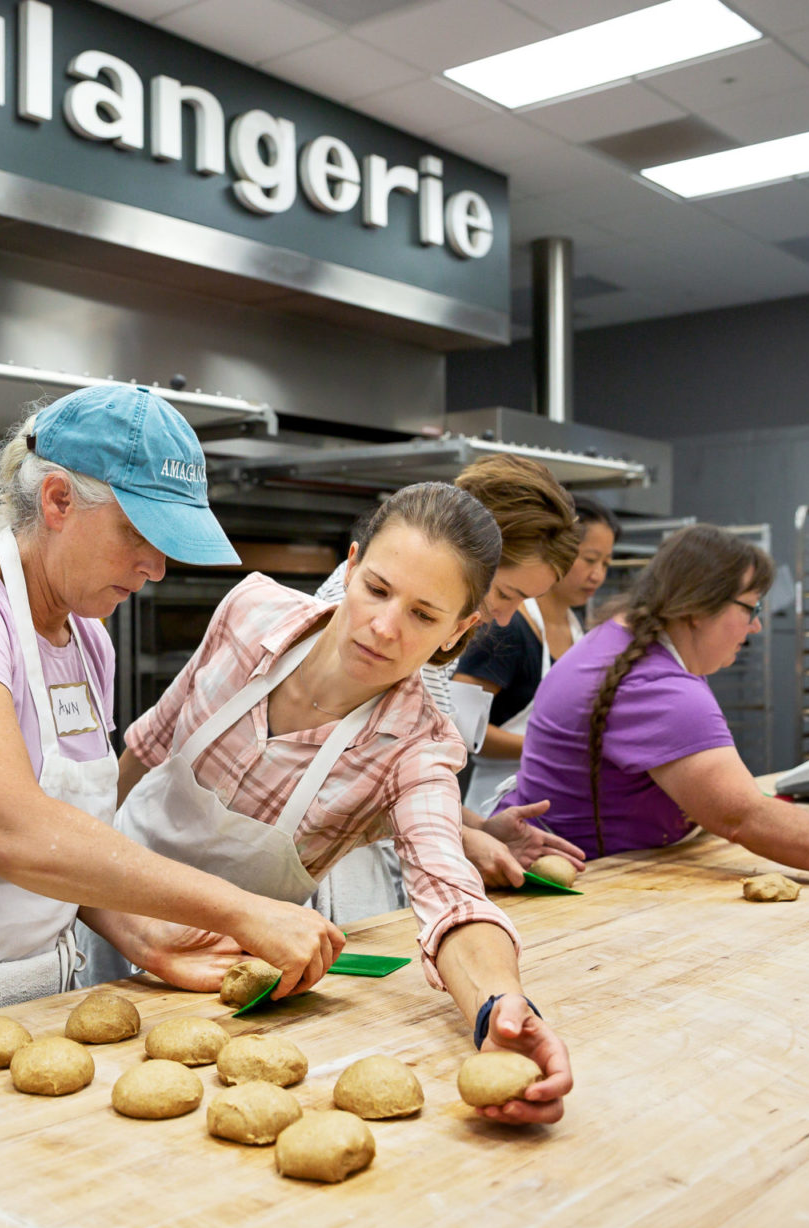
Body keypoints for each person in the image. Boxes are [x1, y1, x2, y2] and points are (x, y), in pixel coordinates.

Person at [0, 386, 344, 1052]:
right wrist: (241, 909)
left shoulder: (87, 641)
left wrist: (142, 934)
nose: (157, 569)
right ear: (57, 500)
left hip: (35, 1003)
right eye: (138, 535)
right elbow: (6, 828)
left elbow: (62, 848)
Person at [97, 483, 574, 1124]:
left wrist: (501, 1006)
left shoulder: (418, 747)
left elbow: (450, 894)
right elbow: (150, 745)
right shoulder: (248, 612)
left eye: (423, 615)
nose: (384, 627)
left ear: (459, 630)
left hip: (216, 984)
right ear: (349, 567)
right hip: (95, 912)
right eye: (377, 589)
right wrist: (79, 875)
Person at [502, 525, 809, 908]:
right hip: (585, 887)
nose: (755, 626)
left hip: (602, 862)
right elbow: (742, 817)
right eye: (750, 608)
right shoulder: (657, 686)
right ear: (697, 607)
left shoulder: (625, 640)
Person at [306, 453, 588, 925]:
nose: (503, 617)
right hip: (309, 887)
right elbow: (332, 780)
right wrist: (457, 837)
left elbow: (398, 772)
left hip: (360, 885)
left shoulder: (439, 636)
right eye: (505, 594)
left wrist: (474, 825)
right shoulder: (370, 633)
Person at [457, 496, 619, 813]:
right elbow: (461, 728)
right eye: (590, 559)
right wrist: (551, 747)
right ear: (559, 554)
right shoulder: (509, 627)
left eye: (606, 563)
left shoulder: (578, 633)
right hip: (492, 810)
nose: (597, 575)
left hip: (553, 806)